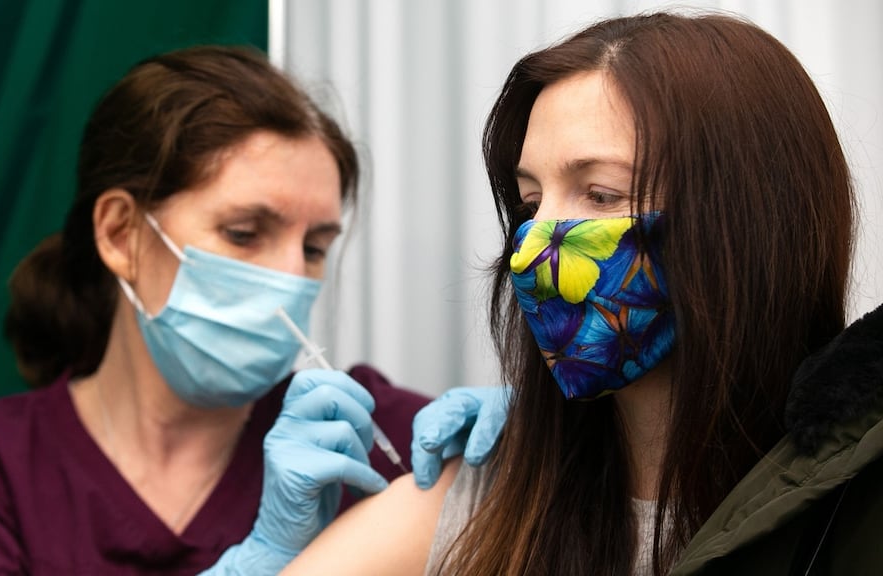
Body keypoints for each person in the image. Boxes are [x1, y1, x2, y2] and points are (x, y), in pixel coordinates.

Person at [277, 11, 883, 576]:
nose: (534, 245)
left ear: (748, 222)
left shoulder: (851, 507)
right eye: (530, 203)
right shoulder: (492, 500)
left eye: (600, 195)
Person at [0, 45, 505, 575]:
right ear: (119, 235)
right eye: (244, 233)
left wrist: (547, 449)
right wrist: (262, 560)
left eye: (315, 247)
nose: (292, 277)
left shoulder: (369, 435)